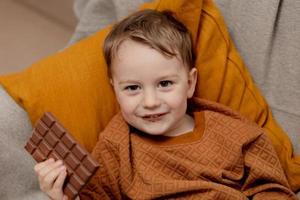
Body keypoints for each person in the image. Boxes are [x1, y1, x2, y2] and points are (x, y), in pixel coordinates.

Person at [34, 9, 297, 200]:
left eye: (164, 84)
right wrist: (60, 194)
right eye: (133, 88)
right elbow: (97, 196)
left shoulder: (233, 133)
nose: (150, 102)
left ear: (190, 83)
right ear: (115, 90)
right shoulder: (116, 146)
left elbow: (271, 189)